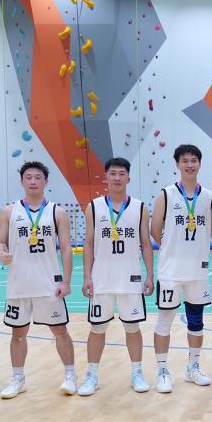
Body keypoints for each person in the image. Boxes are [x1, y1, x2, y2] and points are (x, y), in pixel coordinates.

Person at [0, 161, 76, 398]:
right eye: (28, 177)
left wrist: (66, 281)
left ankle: (70, 375)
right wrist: (1, 253)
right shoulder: (9, 212)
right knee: (17, 334)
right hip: (19, 284)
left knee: (60, 330)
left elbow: (66, 248)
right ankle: (18, 379)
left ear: (46, 182)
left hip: (48, 283)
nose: (33, 181)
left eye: (38, 177)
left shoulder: (57, 212)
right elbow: (0, 243)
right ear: (22, 181)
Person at [78, 158, 155, 396]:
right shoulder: (94, 207)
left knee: (132, 327)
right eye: (113, 173)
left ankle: (137, 373)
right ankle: (91, 375)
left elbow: (145, 243)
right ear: (106, 177)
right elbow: (89, 243)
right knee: (97, 328)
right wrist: (87, 276)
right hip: (102, 278)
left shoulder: (140, 207)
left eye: (122, 174)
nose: (117, 178)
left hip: (130, 277)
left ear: (128, 178)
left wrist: (150, 275)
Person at [150, 144, 212, 391]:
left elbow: (210, 229)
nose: (190, 164)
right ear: (177, 164)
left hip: (197, 272)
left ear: (200, 164)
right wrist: (172, 249)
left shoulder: (209, 197)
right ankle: (162, 370)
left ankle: (193, 367)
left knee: (196, 322)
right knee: (164, 320)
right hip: (171, 271)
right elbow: (155, 230)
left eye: (193, 160)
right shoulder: (166, 195)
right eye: (185, 160)